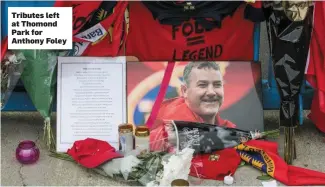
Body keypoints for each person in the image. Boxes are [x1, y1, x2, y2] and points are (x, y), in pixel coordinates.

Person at [157, 61, 236, 128]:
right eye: (202, 85)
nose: (211, 92)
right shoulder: (167, 129)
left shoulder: (230, 130)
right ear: (185, 91)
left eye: (217, 85)